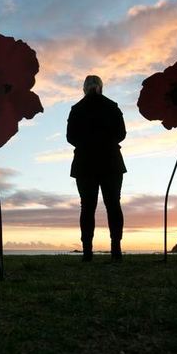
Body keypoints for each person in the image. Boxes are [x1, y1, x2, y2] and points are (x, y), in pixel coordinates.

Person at [67, 75, 126, 262]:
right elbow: (121, 134)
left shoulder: (77, 110)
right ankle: (115, 250)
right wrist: (105, 142)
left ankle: (87, 253)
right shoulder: (112, 106)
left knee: (87, 207)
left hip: (85, 162)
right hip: (110, 161)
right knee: (113, 205)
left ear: (84, 89)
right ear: (101, 87)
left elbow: (70, 137)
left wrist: (88, 143)